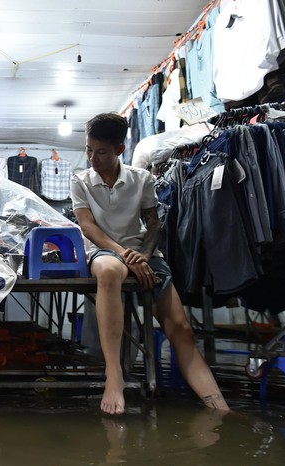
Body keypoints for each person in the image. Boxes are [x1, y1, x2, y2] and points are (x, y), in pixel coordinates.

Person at [70, 112, 228, 415]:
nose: (93, 157)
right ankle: (113, 375)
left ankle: (218, 404)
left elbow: (154, 224)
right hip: (105, 251)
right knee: (108, 271)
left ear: (119, 149)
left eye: (101, 151)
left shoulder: (141, 179)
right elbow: (88, 227)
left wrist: (143, 254)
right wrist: (124, 254)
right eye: (89, 149)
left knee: (181, 327)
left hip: (143, 254)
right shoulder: (81, 181)